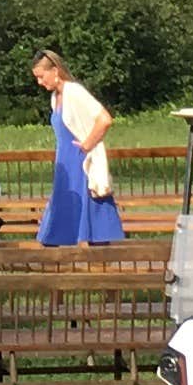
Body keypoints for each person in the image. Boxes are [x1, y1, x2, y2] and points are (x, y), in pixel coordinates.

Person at [31, 48, 124, 249]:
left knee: (92, 218)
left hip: (80, 160)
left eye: (41, 76)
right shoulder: (56, 97)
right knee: (61, 211)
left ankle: (100, 264)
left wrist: (88, 143)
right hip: (65, 161)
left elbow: (104, 119)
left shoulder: (74, 92)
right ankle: (56, 264)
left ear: (55, 71)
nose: (40, 82)